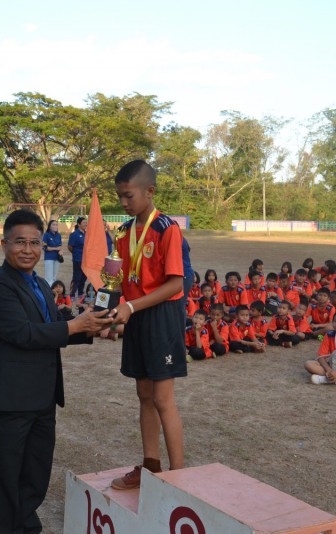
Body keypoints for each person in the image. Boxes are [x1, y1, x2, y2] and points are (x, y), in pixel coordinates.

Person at [0, 209, 112, 533]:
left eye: (34, 243)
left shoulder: (39, 283)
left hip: (42, 395)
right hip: (12, 397)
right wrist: (74, 325)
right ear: (4, 244)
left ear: (42, 245)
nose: (27, 249)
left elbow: (53, 326)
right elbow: (22, 333)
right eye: (20, 242)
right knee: (7, 474)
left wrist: (91, 327)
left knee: (36, 472)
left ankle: (26, 524)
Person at [108, 160, 187, 490]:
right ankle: (151, 466)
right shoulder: (123, 232)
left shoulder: (167, 229)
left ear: (150, 191)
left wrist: (130, 305)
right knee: (143, 394)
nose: (123, 203)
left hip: (161, 316)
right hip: (135, 314)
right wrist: (105, 308)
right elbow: (114, 280)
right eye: (120, 197)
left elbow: (176, 284)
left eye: (128, 196)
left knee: (162, 398)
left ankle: (178, 478)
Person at [67, 216, 87, 298]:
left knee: (84, 277)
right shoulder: (74, 234)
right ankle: (72, 294)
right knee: (76, 277)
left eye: (86, 222)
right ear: (79, 224)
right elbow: (70, 246)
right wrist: (75, 253)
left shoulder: (87, 234)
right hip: (78, 259)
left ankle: (80, 293)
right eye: (84, 223)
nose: (86, 224)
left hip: (86, 260)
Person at [41, 219, 64, 284]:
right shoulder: (46, 235)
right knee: (49, 277)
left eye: (56, 225)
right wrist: (56, 248)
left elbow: (60, 246)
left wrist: (61, 250)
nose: (55, 226)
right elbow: (45, 248)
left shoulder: (59, 235)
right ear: (50, 227)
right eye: (53, 225)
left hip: (57, 258)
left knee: (54, 277)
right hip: (49, 258)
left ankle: (53, 289)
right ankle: (48, 289)